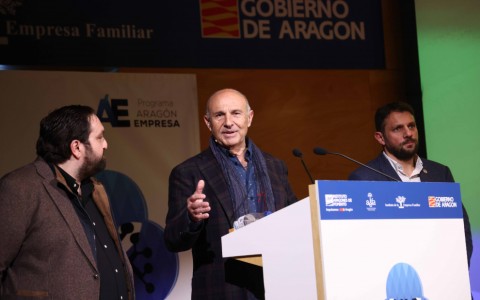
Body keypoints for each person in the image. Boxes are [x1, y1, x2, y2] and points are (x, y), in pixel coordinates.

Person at [164, 88, 297, 299]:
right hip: (222, 288)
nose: (228, 122)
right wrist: (191, 217)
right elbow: (173, 240)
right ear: (208, 122)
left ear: (249, 118)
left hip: (276, 285)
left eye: (236, 113)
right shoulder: (188, 172)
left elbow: (294, 222)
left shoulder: (275, 167)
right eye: (219, 115)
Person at [0, 105, 135, 299]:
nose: (105, 145)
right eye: (99, 137)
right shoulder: (20, 188)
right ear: (77, 147)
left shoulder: (97, 190)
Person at [348, 101, 473, 266]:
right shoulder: (364, 178)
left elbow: (461, 230)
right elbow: (365, 244)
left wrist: (454, 269)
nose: (408, 133)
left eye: (412, 126)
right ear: (380, 137)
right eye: (398, 129)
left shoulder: (440, 173)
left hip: (445, 276)